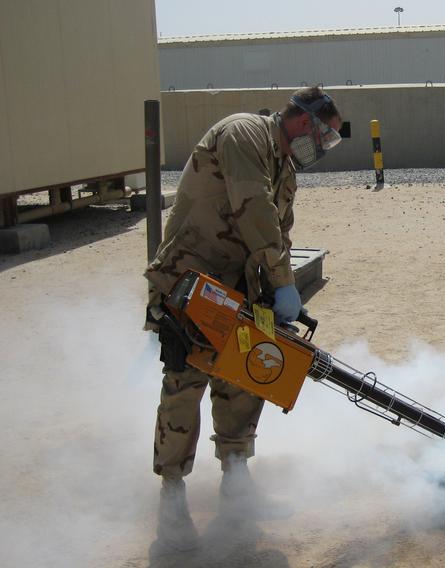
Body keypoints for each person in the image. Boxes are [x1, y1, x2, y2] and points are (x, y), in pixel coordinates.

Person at [143, 86, 342, 554]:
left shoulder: (285, 169)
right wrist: (281, 278)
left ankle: (236, 485)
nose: (323, 145)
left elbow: (279, 231)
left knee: (244, 378)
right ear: (301, 121)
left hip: (237, 287)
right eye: (324, 135)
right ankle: (172, 500)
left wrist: (279, 286)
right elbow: (254, 208)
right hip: (189, 283)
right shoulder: (243, 135)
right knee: (185, 385)